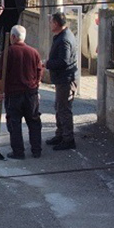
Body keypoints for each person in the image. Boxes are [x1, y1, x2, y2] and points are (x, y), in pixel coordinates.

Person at [0, 24, 44, 159]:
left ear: (12, 37)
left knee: (14, 123)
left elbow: (0, 75)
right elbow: (39, 71)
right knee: (34, 121)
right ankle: (37, 150)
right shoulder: (34, 52)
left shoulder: (8, 52)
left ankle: (18, 152)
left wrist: (0, 92)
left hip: (14, 94)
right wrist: (36, 87)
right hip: (31, 93)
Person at [44, 11, 79, 151]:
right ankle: (60, 135)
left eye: (51, 22)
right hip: (63, 79)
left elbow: (63, 62)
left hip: (66, 79)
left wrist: (47, 64)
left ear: (57, 24)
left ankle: (68, 139)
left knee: (64, 109)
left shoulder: (64, 39)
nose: (50, 24)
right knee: (59, 108)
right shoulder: (62, 36)